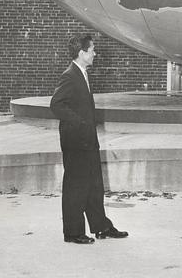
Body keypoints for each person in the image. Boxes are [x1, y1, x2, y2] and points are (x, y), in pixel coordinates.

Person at [50, 34, 128, 244]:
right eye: (92, 49)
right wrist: (80, 122)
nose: (95, 53)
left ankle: (101, 226)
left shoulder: (82, 73)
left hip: (87, 140)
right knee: (76, 186)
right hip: (76, 141)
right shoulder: (70, 75)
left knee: (94, 184)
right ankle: (73, 232)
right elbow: (56, 105)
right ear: (82, 53)